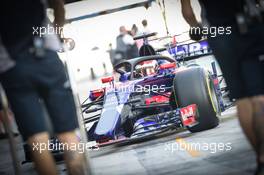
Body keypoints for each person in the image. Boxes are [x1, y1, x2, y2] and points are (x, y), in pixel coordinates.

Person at [0, 0, 87, 175]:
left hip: (13, 68)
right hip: (46, 59)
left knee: (36, 137)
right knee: (68, 133)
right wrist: (56, 29)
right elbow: (58, 6)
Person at [181, 0, 264, 174]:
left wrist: (196, 27)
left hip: (218, 33)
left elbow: (188, 13)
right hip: (247, 24)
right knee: (258, 96)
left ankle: (260, 157)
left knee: (242, 99)